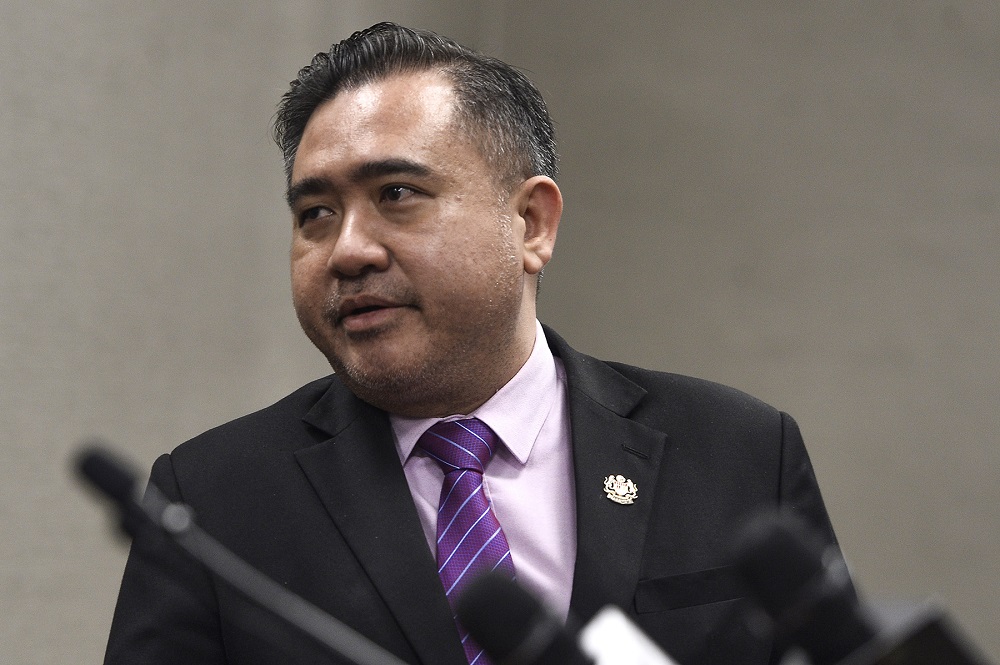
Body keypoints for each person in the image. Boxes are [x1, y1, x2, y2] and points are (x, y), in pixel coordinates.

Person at [105, 22, 844, 665]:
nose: (347, 250)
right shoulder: (212, 503)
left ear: (532, 224)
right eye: (316, 213)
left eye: (396, 194)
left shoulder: (738, 452)